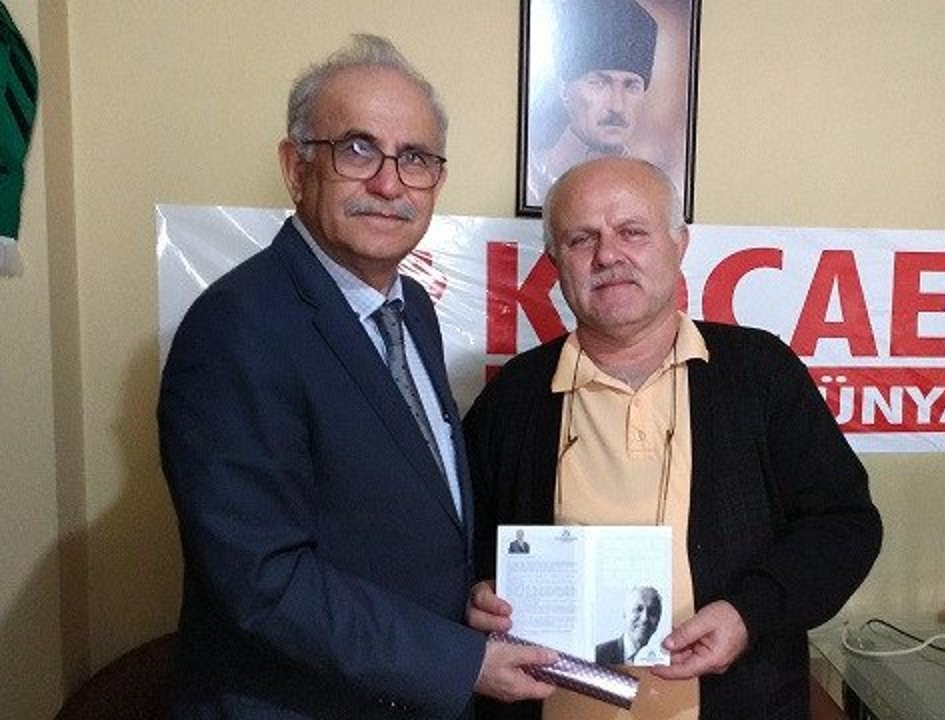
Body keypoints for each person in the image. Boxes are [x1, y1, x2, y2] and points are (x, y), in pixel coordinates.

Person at [158, 34, 556, 719]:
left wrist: (460, 602)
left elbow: (394, 520)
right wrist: (460, 662)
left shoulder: (412, 309)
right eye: (358, 149)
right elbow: (264, 580)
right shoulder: (236, 326)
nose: (389, 184)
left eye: (415, 158)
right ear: (296, 168)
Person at [464, 157, 883, 719]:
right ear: (555, 263)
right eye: (581, 239)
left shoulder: (761, 374)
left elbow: (845, 525)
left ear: (679, 244)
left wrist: (748, 614)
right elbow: (456, 549)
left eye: (632, 231)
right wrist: (474, 595)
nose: (608, 255)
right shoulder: (513, 396)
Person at [525, 0, 688, 205]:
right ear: (564, 90)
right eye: (599, 83)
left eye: (631, 86)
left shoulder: (655, 194)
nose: (617, 106)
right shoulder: (533, 178)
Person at [596, 586, 663, 665]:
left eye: (652, 611)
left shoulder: (664, 657)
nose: (645, 618)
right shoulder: (598, 654)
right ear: (625, 614)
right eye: (638, 609)